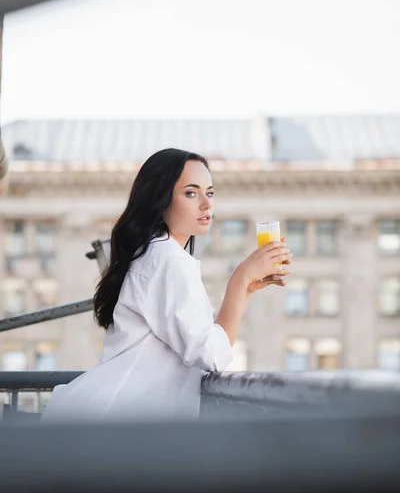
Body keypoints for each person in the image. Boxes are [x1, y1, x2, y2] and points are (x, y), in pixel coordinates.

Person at [41, 148, 291, 422]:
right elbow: (211, 356)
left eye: (210, 192)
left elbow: (207, 343)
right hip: (114, 424)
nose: (206, 204)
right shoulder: (167, 259)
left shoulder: (156, 253)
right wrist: (240, 278)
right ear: (160, 199)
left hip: (110, 418)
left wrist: (245, 289)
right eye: (191, 193)